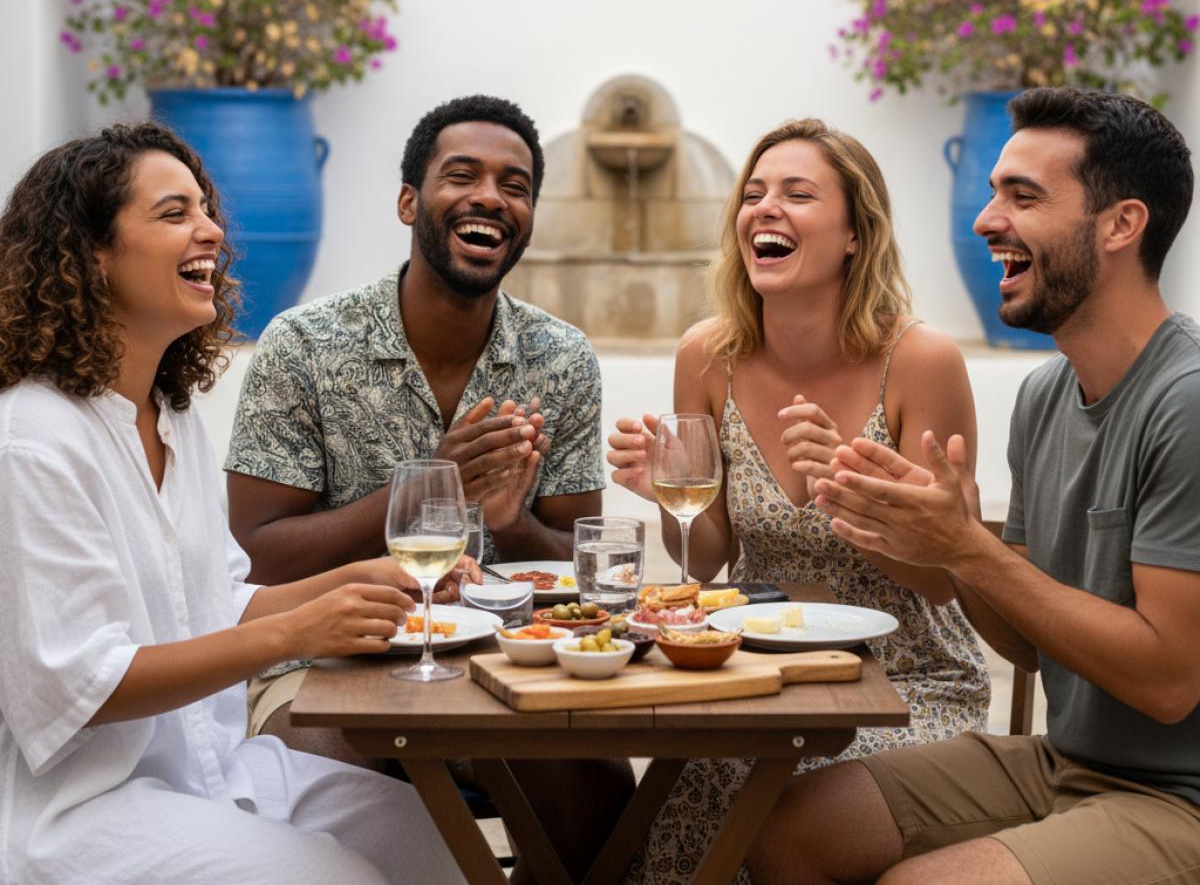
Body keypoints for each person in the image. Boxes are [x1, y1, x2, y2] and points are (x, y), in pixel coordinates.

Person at [0, 122, 472, 885]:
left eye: (206, 210)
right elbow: (79, 687)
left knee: (433, 846)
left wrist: (370, 583)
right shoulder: (34, 441)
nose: (212, 230)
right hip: (86, 809)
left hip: (223, 768)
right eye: (173, 212)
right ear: (90, 252)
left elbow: (213, 598)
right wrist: (298, 628)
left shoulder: (171, 413)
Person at [749, 88, 1200, 885]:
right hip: (1067, 762)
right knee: (783, 830)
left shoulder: (1186, 399)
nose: (986, 221)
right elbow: (1022, 643)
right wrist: (939, 539)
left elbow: (1168, 682)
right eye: (993, 193)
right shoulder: (1045, 395)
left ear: (1121, 225)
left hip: (1179, 799)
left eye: (1022, 197)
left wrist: (968, 549)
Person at [225, 94, 632, 880]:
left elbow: (582, 570)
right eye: (463, 175)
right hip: (323, 663)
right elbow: (256, 558)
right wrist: (432, 488)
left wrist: (511, 526)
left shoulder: (562, 358)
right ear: (411, 199)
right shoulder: (303, 346)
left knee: (602, 799)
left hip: (508, 664)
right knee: (316, 786)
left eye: (515, 186)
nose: (491, 196)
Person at [607, 117, 989, 885]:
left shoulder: (921, 361)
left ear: (855, 234)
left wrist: (847, 495)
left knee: (768, 803)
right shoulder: (708, 356)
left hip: (909, 680)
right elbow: (708, 558)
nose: (765, 209)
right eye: (753, 195)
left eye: (797, 193)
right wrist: (671, 504)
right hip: (763, 680)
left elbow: (948, 578)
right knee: (675, 806)